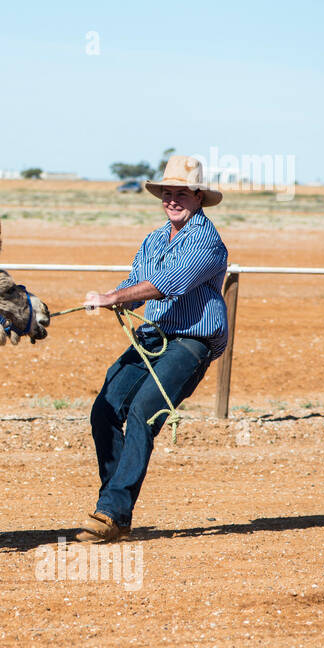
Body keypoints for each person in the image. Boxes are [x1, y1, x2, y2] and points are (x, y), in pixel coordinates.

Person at [77, 155, 230, 542]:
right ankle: (113, 511)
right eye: (167, 192)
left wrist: (114, 296)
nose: (172, 199)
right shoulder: (154, 238)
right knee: (105, 411)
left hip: (192, 340)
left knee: (145, 411)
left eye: (182, 193)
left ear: (198, 198)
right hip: (154, 336)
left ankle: (111, 511)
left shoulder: (206, 241)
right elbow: (138, 281)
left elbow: (167, 283)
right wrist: (122, 298)